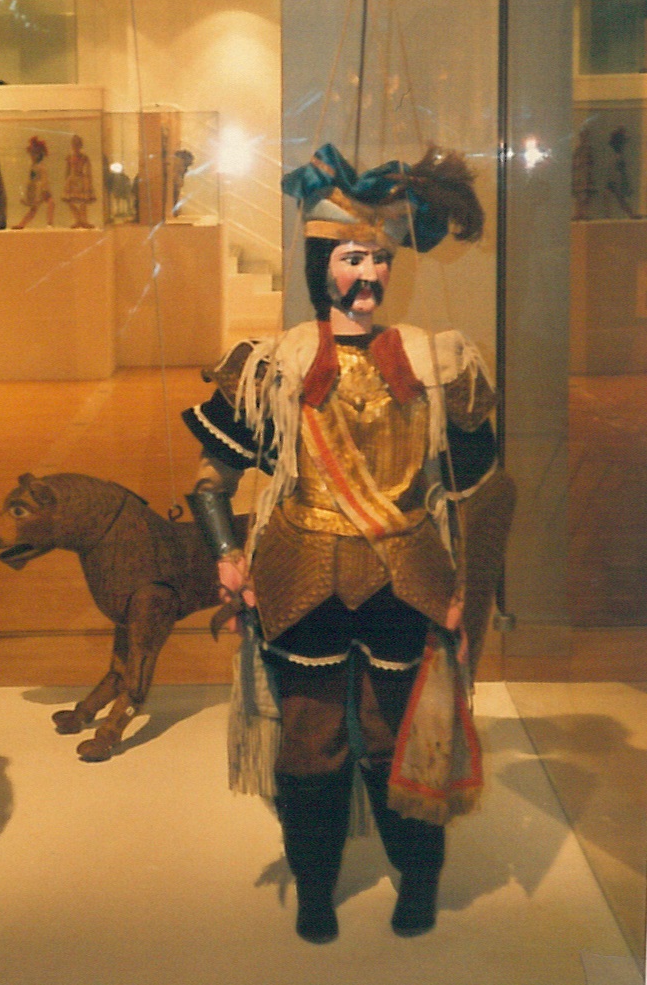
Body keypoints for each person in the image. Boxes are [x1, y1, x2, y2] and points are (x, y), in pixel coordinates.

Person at [184, 144, 512, 945]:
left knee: (404, 736)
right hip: (299, 573)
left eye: (378, 258)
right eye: (350, 257)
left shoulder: (435, 361)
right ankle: (315, 887)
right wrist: (226, 554)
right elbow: (209, 480)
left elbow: (475, 483)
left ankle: (418, 879)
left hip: (408, 576)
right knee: (309, 741)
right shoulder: (272, 366)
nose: (368, 274)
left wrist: (467, 586)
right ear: (319, 265)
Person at [13, 136, 54, 229]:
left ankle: (49, 223)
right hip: (37, 189)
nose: (32, 156)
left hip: (41, 189)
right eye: (32, 153)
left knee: (50, 203)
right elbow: (33, 179)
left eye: (34, 154)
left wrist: (44, 189)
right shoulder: (35, 166)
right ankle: (22, 224)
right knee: (35, 209)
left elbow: (43, 179)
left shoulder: (40, 166)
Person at [61, 134, 96, 229]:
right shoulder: (69, 157)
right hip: (72, 180)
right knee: (70, 202)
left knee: (83, 202)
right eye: (74, 144)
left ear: (80, 145)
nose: (75, 146)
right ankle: (78, 220)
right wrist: (66, 181)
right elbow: (67, 170)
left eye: (77, 144)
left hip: (82, 180)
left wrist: (89, 182)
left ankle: (84, 221)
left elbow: (88, 170)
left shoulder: (84, 157)